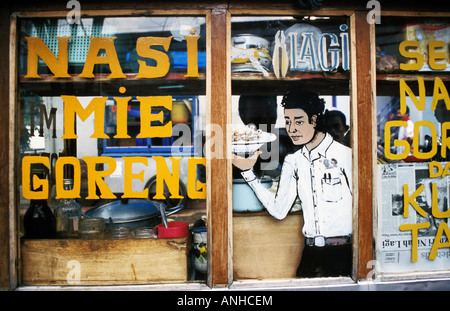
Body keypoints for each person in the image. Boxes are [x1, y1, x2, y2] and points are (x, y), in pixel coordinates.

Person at [233, 90, 353, 277]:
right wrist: (248, 172)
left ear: (314, 120)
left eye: (298, 121)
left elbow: (363, 207)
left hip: (343, 252)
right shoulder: (293, 161)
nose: (292, 129)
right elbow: (279, 211)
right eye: (288, 122)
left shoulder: (345, 156)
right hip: (310, 254)